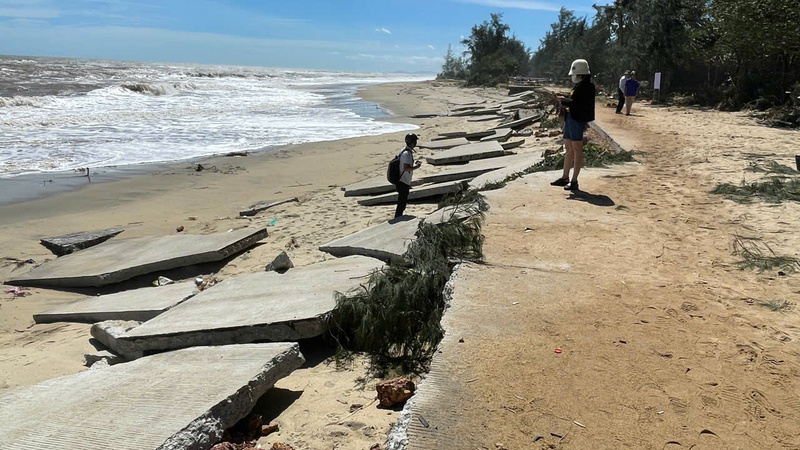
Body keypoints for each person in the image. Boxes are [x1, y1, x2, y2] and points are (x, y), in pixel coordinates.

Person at [550, 59, 596, 191]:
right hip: (570, 118)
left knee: (577, 149)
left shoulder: (588, 87)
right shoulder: (580, 85)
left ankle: (574, 180)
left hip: (577, 119)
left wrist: (563, 101)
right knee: (569, 148)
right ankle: (565, 177)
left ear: (580, 74)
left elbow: (580, 104)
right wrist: (564, 98)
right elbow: (575, 99)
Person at [395, 133, 422, 218]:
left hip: (403, 180)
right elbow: (406, 168)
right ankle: (398, 218)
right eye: (415, 141)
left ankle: (398, 217)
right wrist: (416, 167)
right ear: (412, 142)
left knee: (402, 202)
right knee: (401, 203)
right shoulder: (407, 153)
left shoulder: (405, 151)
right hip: (403, 181)